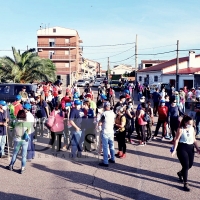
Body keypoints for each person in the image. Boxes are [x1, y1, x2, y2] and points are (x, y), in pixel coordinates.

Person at [171, 115, 200, 191]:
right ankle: (185, 183)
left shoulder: (192, 129)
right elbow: (176, 140)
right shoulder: (180, 129)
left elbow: (194, 139)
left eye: (191, 123)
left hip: (190, 148)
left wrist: (197, 148)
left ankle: (180, 173)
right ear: (185, 122)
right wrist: (174, 149)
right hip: (182, 148)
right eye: (189, 123)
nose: (190, 125)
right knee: (186, 166)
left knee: (190, 165)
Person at [98, 102, 115, 167]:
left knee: (105, 147)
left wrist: (99, 126)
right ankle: (113, 158)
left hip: (105, 131)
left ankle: (105, 162)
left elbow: (100, 123)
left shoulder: (104, 114)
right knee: (111, 145)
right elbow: (113, 121)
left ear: (105, 107)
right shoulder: (113, 113)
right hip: (111, 131)